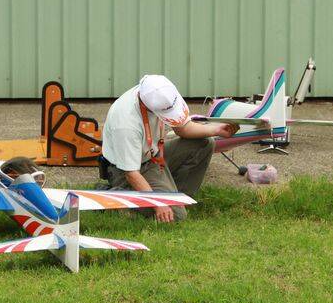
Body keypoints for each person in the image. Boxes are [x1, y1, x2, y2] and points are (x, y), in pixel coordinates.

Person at [101, 75, 238, 223]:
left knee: (205, 143)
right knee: (177, 216)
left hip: (152, 156)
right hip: (127, 170)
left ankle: (179, 198)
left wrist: (217, 130)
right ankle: (111, 194)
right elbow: (132, 174)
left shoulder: (157, 91)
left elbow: (182, 129)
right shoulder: (126, 124)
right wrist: (158, 204)